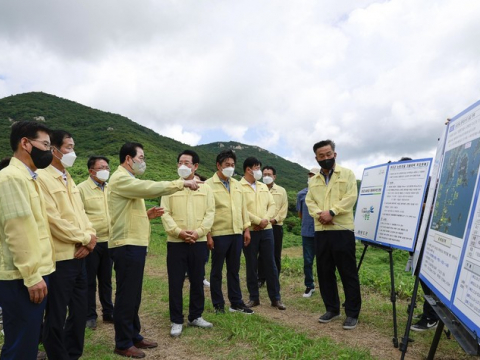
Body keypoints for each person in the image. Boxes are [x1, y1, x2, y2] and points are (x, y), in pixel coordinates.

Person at [108, 142, 199, 358]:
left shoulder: (128, 180)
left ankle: (133, 335)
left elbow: (127, 212)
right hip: (126, 244)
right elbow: (150, 188)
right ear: (128, 159)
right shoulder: (120, 178)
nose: (143, 161)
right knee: (126, 295)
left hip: (135, 243)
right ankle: (122, 342)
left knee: (134, 294)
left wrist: (145, 215)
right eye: (141, 157)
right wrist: (182, 183)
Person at [37, 130, 97, 359]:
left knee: (80, 310)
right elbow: (53, 220)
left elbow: (82, 214)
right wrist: (84, 239)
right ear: (53, 149)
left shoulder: (68, 177)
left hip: (81, 255)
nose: (72, 152)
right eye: (68, 147)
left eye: (73, 147)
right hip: (61, 258)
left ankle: (73, 353)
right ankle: (56, 355)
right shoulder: (41, 178)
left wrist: (90, 238)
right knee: (57, 312)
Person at [0, 121, 55, 359]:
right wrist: (32, 276)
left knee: (27, 338)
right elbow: (18, 229)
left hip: (32, 273)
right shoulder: (11, 178)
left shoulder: (29, 178)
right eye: (45, 144)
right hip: (21, 277)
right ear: (25, 143)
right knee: (20, 344)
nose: (49, 151)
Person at [306, 139, 361, 330]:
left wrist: (333, 212)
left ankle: (352, 313)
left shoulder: (347, 174)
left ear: (334, 154)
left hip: (342, 230)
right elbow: (309, 201)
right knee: (324, 272)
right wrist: (319, 214)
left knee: (348, 272)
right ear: (317, 158)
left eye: (328, 154)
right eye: (321, 156)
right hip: (322, 231)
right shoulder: (314, 180)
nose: (325, 158)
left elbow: (351, 197)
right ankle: (332, 309)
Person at [161, 150, 215, 337]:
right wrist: (179, 232)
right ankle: (176, 320)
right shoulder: (170, 187)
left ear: (196, 166)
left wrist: (199, 232)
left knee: (197, 280)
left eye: (187, 162)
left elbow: (210, 213)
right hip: (176, 242)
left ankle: (195, 316)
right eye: (180, 162)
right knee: (175, 282)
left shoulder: (206, 188)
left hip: (198, 242)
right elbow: (164, 213)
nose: (183, 166)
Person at [205, 150, 253, 315]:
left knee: (234, 270)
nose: (230, 168)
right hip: (218, 233)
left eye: (232, 165)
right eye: (227, 165)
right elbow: (205, 212)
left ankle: (236, 303)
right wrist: (208, 235)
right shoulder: (208, 185)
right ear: (218, 165)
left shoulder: (237, 185)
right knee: (217, 271)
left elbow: (243, 208)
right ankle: (218, 305)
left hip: (236, 233)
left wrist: (246, 228)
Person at [240, 157, 286, 310]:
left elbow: (272, 204)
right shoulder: (238, 186)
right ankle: (254, 298)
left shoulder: (262, 186)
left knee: (271, 264)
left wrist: (265, 220)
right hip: (250, 231)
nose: (260, 171)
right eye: (257, 168)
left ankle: (276, 298)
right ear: (248, 169)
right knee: (251, 264)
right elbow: (240, 208)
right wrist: (257, 221)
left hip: (267, 231)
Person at [78, 156, 114, 330]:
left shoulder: (110, 188)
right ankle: (89, 315)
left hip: (110, 240)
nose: (105, 170)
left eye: (107, 167)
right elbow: (78, 217)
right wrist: (85, 240)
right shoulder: (81, 189)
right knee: (89, 280)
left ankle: (108, 312)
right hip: (92, 242)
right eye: (101, 167)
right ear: (91, 170)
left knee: (106, 279)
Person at [257, 166, 288, 286]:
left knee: (275, 253)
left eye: (269, 174)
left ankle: (274, 278)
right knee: (261, 254)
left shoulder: (281, 190)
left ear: (274, 176)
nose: (266, 177)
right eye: (264, 174)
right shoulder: (258, 189)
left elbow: (283, 209)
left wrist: (275, 220)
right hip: (261, 225)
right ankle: (261, 278)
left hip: (275, 226)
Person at [296, 167, 320, 298]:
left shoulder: (324, 192)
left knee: (324, 261)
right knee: (308, 261)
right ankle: (309, 286)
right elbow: (300, 214)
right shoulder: (301, 194)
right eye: (310, 175)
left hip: (322, 232)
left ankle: (326, 286)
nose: (311, 177)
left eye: (314, 175)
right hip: (307, 232)